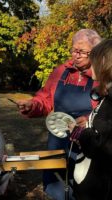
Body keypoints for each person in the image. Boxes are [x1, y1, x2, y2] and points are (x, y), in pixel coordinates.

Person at [17, 29, 102, 200]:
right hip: (58, 141)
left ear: (94, 52)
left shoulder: (102, 74)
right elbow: (45, 99)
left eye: (82, 52)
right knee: (57, 188)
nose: (76, 55)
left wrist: (89, 120)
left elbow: (107, 111)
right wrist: (32, 105)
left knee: (85, 190)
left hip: (88, 146)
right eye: (74, 50)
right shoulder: (60, 71)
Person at [68, 39, 112, 200]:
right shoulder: (107, 94)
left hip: (98, 189)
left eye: (93, 62)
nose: (90, 66)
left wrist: (79, 132)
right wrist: (88, 123)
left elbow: (99, 146)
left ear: (103, 63)